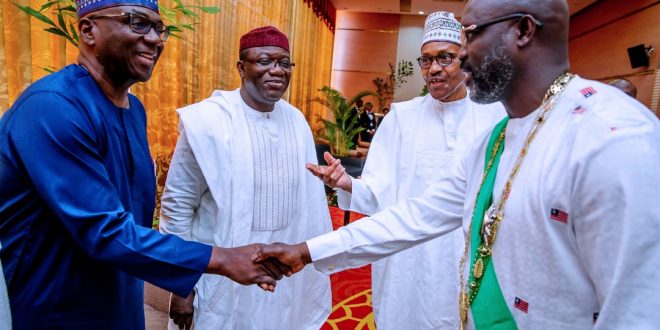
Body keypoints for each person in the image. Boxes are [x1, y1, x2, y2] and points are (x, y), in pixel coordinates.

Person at [257, 0, 660, 328]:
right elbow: (416, 216)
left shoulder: (612, 136)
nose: (463, 57)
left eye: (471, 36)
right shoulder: (500, 135)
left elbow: (639, 308)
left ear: (523, 30)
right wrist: (306, 251)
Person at [0, 2, 287, 328]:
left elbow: (133, 220)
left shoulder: (134, 110)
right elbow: (104, 231)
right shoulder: (52, 107)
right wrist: (222, 258)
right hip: (52, 307)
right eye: (137, 23)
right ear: (87, 30)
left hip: (119, 299)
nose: (155, 39)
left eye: (158, 28)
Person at [307, 11, 505, 330]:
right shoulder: (402, 118)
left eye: (445, 58)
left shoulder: (495, 115)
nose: (434, 69)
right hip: (407, 258)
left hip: (468, 255)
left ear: (465, 59)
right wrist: (348, 185)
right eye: (426, 60)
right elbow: (378, 195)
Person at [160, 26, 332, 330]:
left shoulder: (296, 121)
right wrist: (181, 285)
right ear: (242, 67)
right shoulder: (208, 122)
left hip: (283, 279)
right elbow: (177, 207)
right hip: (222, 277)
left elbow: (308, 207)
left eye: (284, 63)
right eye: (264, 61)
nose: (276, 71)